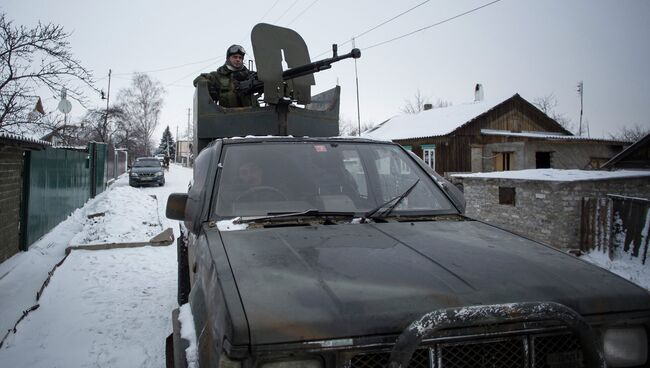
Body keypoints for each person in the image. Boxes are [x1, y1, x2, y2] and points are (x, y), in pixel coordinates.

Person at [193, 44, 259, 108]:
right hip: (227, 115)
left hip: (252, 115)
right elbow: (198, 79)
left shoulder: (249, 75)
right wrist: (209, 86)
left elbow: (265, 79)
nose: (238, 60)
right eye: (235, 57)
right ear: (228, 58)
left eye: (240, 57)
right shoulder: (218, 75)